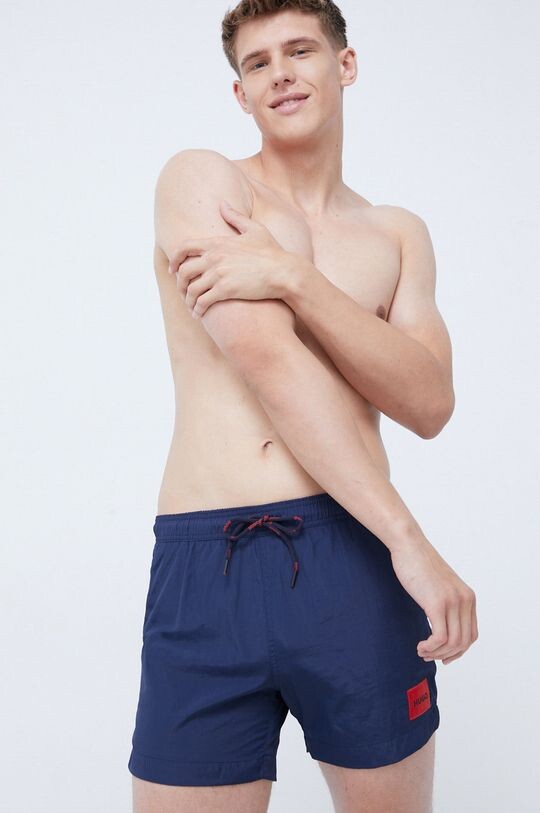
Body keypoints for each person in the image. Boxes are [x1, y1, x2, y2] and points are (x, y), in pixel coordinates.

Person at [128, 2, 478, 811]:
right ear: (240, 92)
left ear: (344, 65)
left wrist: (293, 277)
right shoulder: (203, 181)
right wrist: (411, 539)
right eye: (257, 63)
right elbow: (265, 357)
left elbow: (429, 403)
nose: (281, 74)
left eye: (300, 50)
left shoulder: (397, 235)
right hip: (210, 560)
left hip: (354, 556)